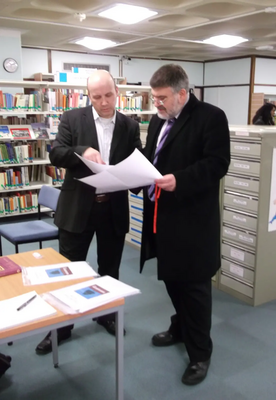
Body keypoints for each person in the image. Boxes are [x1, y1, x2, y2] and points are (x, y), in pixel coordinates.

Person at [35, 70, 141, 354]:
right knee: (68, 271)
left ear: (116, 91)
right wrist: (83, 151)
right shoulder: (72, 118)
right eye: (97, 97)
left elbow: (137, 158)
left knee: (110, 269)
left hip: (113, 208)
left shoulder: (130, 126)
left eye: (108, 95)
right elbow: (57, 154)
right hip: (77, 208)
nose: (104, 102)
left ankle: (106, 314)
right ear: (88, 95)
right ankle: (61, 328)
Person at [140, 64, 230, 386]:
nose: (157, 104)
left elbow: (218, 164)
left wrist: (181, 180)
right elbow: (152, 157)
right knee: (171, 279)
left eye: (162, 98)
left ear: (182, 93)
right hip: (161, 219)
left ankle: (200, 353)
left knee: (194, 289)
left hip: (192, 223)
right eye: (154, 98)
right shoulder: (157, 120)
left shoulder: (211, 117)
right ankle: (180, 327)